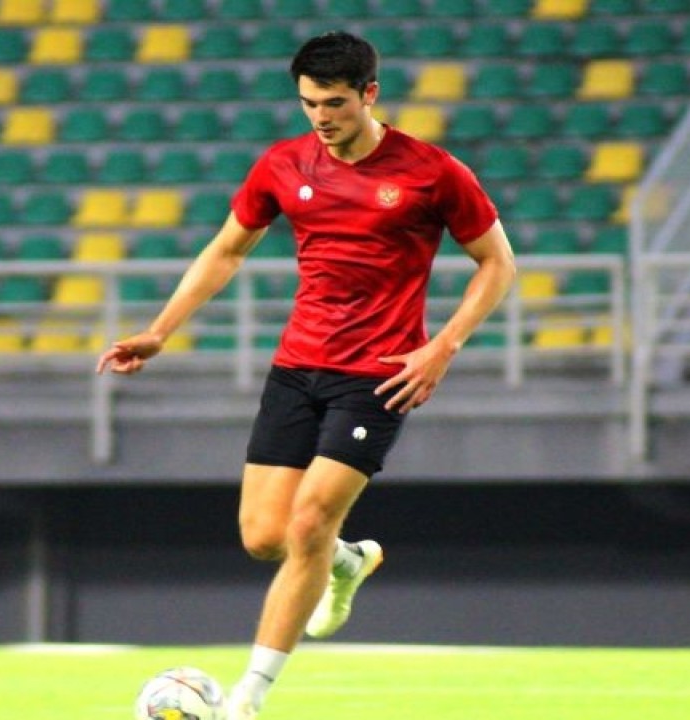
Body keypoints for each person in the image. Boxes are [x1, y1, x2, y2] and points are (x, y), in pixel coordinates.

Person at [96, 31, 516, 720]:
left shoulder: (433, 172)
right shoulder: (283, 164)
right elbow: (226, 250)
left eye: (335, 103)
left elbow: (497, 263)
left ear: (369, 94)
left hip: (378, 375)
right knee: (266, 537)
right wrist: (160, 330)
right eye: (310, 103)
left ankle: (247, 699)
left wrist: (444, 345)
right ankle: (345, 561)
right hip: (297, 366)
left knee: (312, 518)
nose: (322, 117)